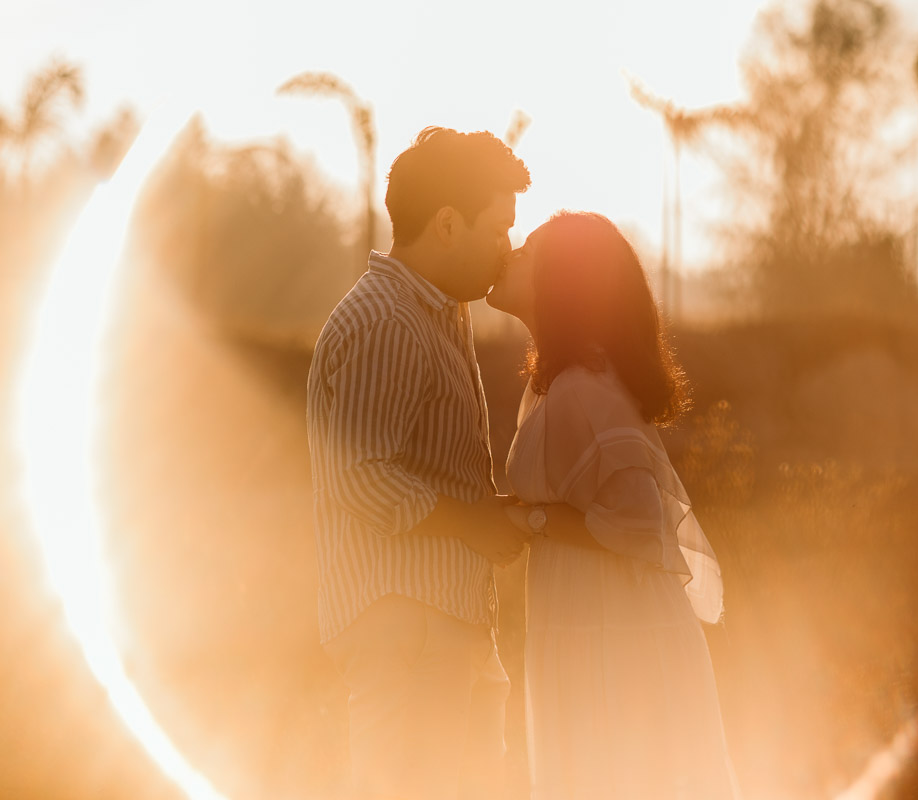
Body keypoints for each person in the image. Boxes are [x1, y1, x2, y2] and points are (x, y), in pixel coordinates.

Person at [305, 126, 533, 800]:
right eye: (497, 229)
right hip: (403, 624)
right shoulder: (387, 320)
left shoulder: (433, 313)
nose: (506, 248)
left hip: (443, 622)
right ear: (446, 224)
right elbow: (361, 475)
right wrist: (472, 524)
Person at [487, 211, 742, 799]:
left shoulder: (583, 386)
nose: (511, 256)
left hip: (613, 634)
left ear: (562, 282)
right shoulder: (561, 381)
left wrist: (528, 519)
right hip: (588, 619)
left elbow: (636, 520)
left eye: (529, 250)